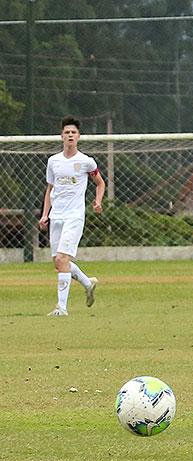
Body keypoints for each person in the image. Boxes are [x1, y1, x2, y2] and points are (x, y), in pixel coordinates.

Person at [39, 116, 105, 316]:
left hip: (74, 216)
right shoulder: (53, 161)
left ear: (78, 136)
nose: (70, 135)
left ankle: (62, 308)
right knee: (59, 263)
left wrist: (98, 201)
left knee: (62, 258)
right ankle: (87, 283)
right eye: (67, 132)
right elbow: (50, 189)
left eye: (73, 132)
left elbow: (100, 183)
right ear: (61, 136)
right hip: (56, 216)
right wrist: (45, 214)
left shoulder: (86, 162)